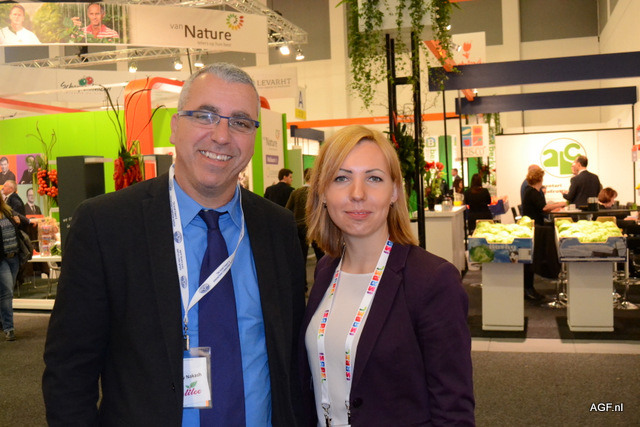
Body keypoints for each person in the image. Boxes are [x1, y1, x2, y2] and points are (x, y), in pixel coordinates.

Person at [42, 63, 306, 426]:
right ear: (175, 125)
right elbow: (69, 372)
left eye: (241, 122)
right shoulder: (108, 226)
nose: (221, 136)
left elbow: (291, 361)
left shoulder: (277, 228)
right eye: (205, 116)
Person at [300, 125, 475, 426]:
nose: (357, 194)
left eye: (374, 178)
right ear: (322, 192)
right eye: (341, 178)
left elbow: (453, 411)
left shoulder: (432, 281)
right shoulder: (327, 270)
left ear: (394, 191)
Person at [522, 168, 565, 301]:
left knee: (531, 260)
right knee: (531, 259)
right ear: (540, 179)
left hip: (534, 226)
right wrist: (562, 204)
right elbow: (544, 208)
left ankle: (529, 288)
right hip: (535, 228)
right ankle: (528, 289)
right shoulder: (533, 192)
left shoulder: (530, 191)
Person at [285, 167, 324, 263]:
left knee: (301, 256)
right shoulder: (317, 193)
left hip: (299, 227)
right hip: (313, 227)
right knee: (321, 256)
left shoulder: (295, 192)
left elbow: (287, 209)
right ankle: (321, 273)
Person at [0, 196, 21, 341]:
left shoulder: (7, 212)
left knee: (6, 292)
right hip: (1, 259)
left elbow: (19, 227)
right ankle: (9, 328)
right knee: (7, 292)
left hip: (14, 256)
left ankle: (3, 322)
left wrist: (17, 222)